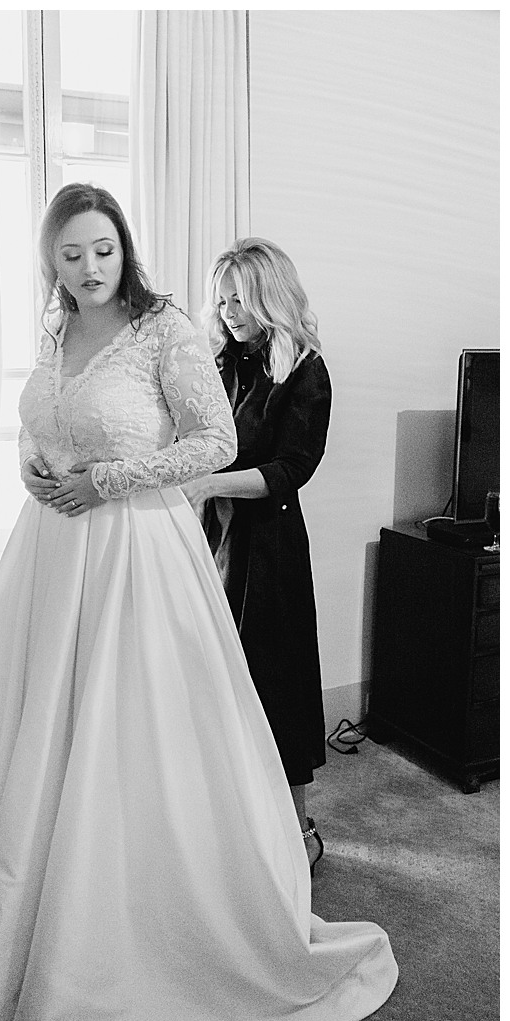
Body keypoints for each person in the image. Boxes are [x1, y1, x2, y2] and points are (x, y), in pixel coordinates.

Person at [0, 184, 396, 1021]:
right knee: (21, 731)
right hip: (49, 556)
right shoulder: (55, 332)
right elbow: (44, 424)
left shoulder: (166, 329)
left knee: (128, 742)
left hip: (133, 553)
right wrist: (32, 465)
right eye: (70, 254)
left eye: (101, 248)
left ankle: (114, 952)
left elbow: (213, 439)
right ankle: (7, 927)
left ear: (125, 248)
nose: (88, 267)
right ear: (52, 260)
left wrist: (112, 480)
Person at [183, 237, 332, 871]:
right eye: (220, 300)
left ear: (269, 296)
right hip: (213, 537)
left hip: (267, 548)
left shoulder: (305, 370)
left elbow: (292, 467)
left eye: (238, 298)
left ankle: (295, 833)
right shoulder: (222, 363)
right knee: (214, 682)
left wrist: (212, 484)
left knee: (276, 682)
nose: (227, 310)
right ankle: (229, 822)